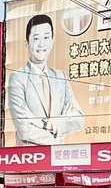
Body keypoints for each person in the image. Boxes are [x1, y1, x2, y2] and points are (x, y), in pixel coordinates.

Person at [7, 13, 85, 145]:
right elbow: (24, 129)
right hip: (29, 159)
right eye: (36, 38)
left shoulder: (60, 77)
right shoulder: (17, 78)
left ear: (52, 42)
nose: (42, 44)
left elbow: (79, 119)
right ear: (27, 44)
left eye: (46, 37)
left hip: (57, 159)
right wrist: (56, 137)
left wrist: (49, 124)